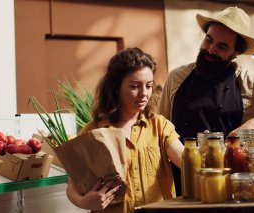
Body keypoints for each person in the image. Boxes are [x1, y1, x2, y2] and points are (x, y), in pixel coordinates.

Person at [158, 7, 254, 195]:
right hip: (182, 184)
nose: (211, 49)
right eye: (209, 39)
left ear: (236, 53)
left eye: (222, 47)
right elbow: (161, 129)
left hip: (232, 187)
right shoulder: (176, 78)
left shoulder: (249, 82)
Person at [66, 47, 184, 213]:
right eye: (135, 86)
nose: (144, 93)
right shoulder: (93, 131)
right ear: (115, 87)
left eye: (149, 86)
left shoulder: (159, 126)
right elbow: (72, 186)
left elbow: (185, 159)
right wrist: (85, 202)